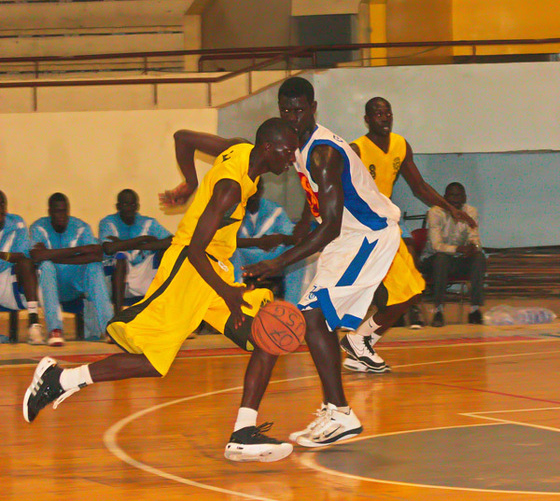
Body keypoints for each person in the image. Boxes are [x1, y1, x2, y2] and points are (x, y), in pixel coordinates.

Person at [24, 118, 300, 464]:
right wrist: (228, 294)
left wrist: (190, 181)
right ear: (267, 148)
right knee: (154, 362)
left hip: (216, 268)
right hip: (192, 267)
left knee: (265, 334)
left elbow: (182, 137)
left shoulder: (239, 148)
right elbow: (196, 250)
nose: (292, 157)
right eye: (288, 150)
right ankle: (60, 378)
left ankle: (243, 433)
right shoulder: (230, 188)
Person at [242, 76, 419, 446]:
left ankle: (340, 412)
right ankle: (337, 410)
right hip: (344, 238)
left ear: (313, 109)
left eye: (300, 110)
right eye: (286, 110)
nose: (293, 117)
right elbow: (321, 213)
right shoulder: (296, 146)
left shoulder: (323, 154)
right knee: (312, 317)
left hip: (365, 236)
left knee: (310, 315)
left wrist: (280, 262)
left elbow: (333, 226)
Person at [341, 96, 477, 371]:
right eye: (378, 113)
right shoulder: (357, 149)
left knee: (414, 291)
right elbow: (344, 192)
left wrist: (450, 208)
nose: (385, 117)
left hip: (387, 226)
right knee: (400, 294)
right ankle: (358, 341)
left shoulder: (401, 146)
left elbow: (419, 187)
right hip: (366, 229)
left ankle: (359, 343)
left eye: (388, 112)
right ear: (367, 119)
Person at [29, 193, 114, 346]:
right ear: (50, 212)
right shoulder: (38, 227)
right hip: (50, 286)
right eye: (57, 211)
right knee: (46, 266)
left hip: (75, 284)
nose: (61, 215)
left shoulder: (81, 227)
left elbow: (96, 254)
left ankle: (110, 328)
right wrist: (80, 250)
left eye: (64, 211)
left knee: (94, 267)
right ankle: (55, 330)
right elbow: (36, 256)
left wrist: (50, 255)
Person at [232, 178, 308, 305]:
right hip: (244, 257)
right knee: (232, 252)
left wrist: (280, 238)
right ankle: (238, 300)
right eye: (250, 190)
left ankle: (292, 306)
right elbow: (225, 241)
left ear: (261, 190)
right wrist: (259, 242)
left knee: (295, 254)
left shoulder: (274, 210)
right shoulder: (234, 210)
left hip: (270, 257)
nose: (253, 194)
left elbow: (294, 239)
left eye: (257, 189)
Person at [420, 182, 486, 327]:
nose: (456, 199)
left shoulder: (471, 212)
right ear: (445, 197)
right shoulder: (435, 212)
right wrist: (458, 249)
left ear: (465, 198)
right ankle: (438, 311)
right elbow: (436, 246)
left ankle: (475, 310)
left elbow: (475, 238)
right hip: (433, 260)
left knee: (479, 257)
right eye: (452, 195)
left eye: (459, 195)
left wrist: (473, 248)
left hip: (457, 260)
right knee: (441, 259)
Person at [99, 189, 172, 314]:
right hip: (116, 273)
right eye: (125, 204)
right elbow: (109, 248)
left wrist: (125, 244)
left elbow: (171, 241)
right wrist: (142, 240)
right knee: (120, 256)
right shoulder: (108, 222)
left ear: (137, 206)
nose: (129, 208)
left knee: (167, 254)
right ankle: (118, 315)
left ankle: (167, 314)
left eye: (133, 204)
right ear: (118, 206)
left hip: (144, 268)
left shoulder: (148, 223)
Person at [0, 191, 44, 344]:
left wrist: (3, 255)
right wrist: (8, 256)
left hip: (7, 274)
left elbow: (22, 254)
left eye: (1, 206)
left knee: (26, 264)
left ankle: (33, 323)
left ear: (5, 208)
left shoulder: (17, 223)